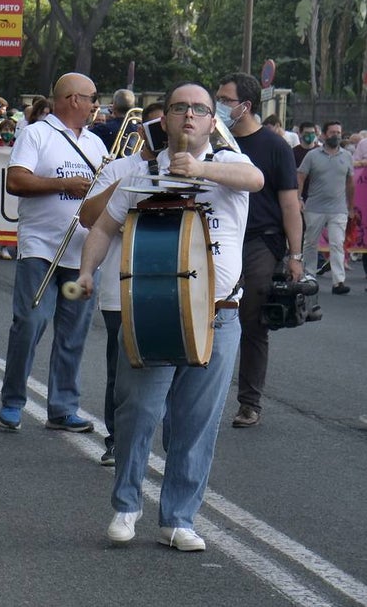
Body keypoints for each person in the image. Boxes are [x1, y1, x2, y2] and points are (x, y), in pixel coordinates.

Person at [75, 81, 263, 552]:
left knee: (196, 420)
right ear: (166, 119)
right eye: (180, 108)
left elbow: (256, 181)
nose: (189, 116)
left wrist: (199, 169)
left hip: (218, 315)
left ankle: (179, 518)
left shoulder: (228, 165)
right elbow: (102, 225)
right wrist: (85, 273)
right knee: (138, 411)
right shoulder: (140, 175)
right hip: (152, 310)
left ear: (211, 120)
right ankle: (126, 507)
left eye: (199, 109)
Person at [0, 73, 105, 434]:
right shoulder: (36, 134)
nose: (95, 104)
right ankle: (13, 401)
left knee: (73, 331)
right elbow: (15, 181)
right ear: (73, 99)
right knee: (30, 323)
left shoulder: (96, 143)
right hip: (41, 250)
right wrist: (65, 184)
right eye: (91, 98)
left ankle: (62, 407)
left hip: (83, 253)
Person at [77, 101, 165, 466]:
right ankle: (116, 439)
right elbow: (86, 218)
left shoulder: (191, 166)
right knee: (121, 372)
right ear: (142, 130)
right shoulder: (120, 168)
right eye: (156, 127)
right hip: (120, 282)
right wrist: (126, 183)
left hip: (168, 282)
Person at [216, 73, 305, 429]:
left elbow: (290, 205)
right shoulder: (213, 143)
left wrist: (295, 256)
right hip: (217, 236)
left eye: (225, 99)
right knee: (208, 312)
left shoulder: (275, 147)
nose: (218, 105)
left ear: (245, 106)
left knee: (251, 318)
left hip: (259, 241)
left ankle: (249, 402)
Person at [298, 120, 355, 294]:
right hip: (314, 207)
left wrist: (350, 207)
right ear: (323, 135)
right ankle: (309, 277)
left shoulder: (347, 156)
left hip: (338, 209)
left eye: (338, 132)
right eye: (332, 132)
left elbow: (350, 183)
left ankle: (339, 282)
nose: (336, 135)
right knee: (310, 243)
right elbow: (300, 177)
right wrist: (298, 198)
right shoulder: (313, 156)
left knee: (337, 244)